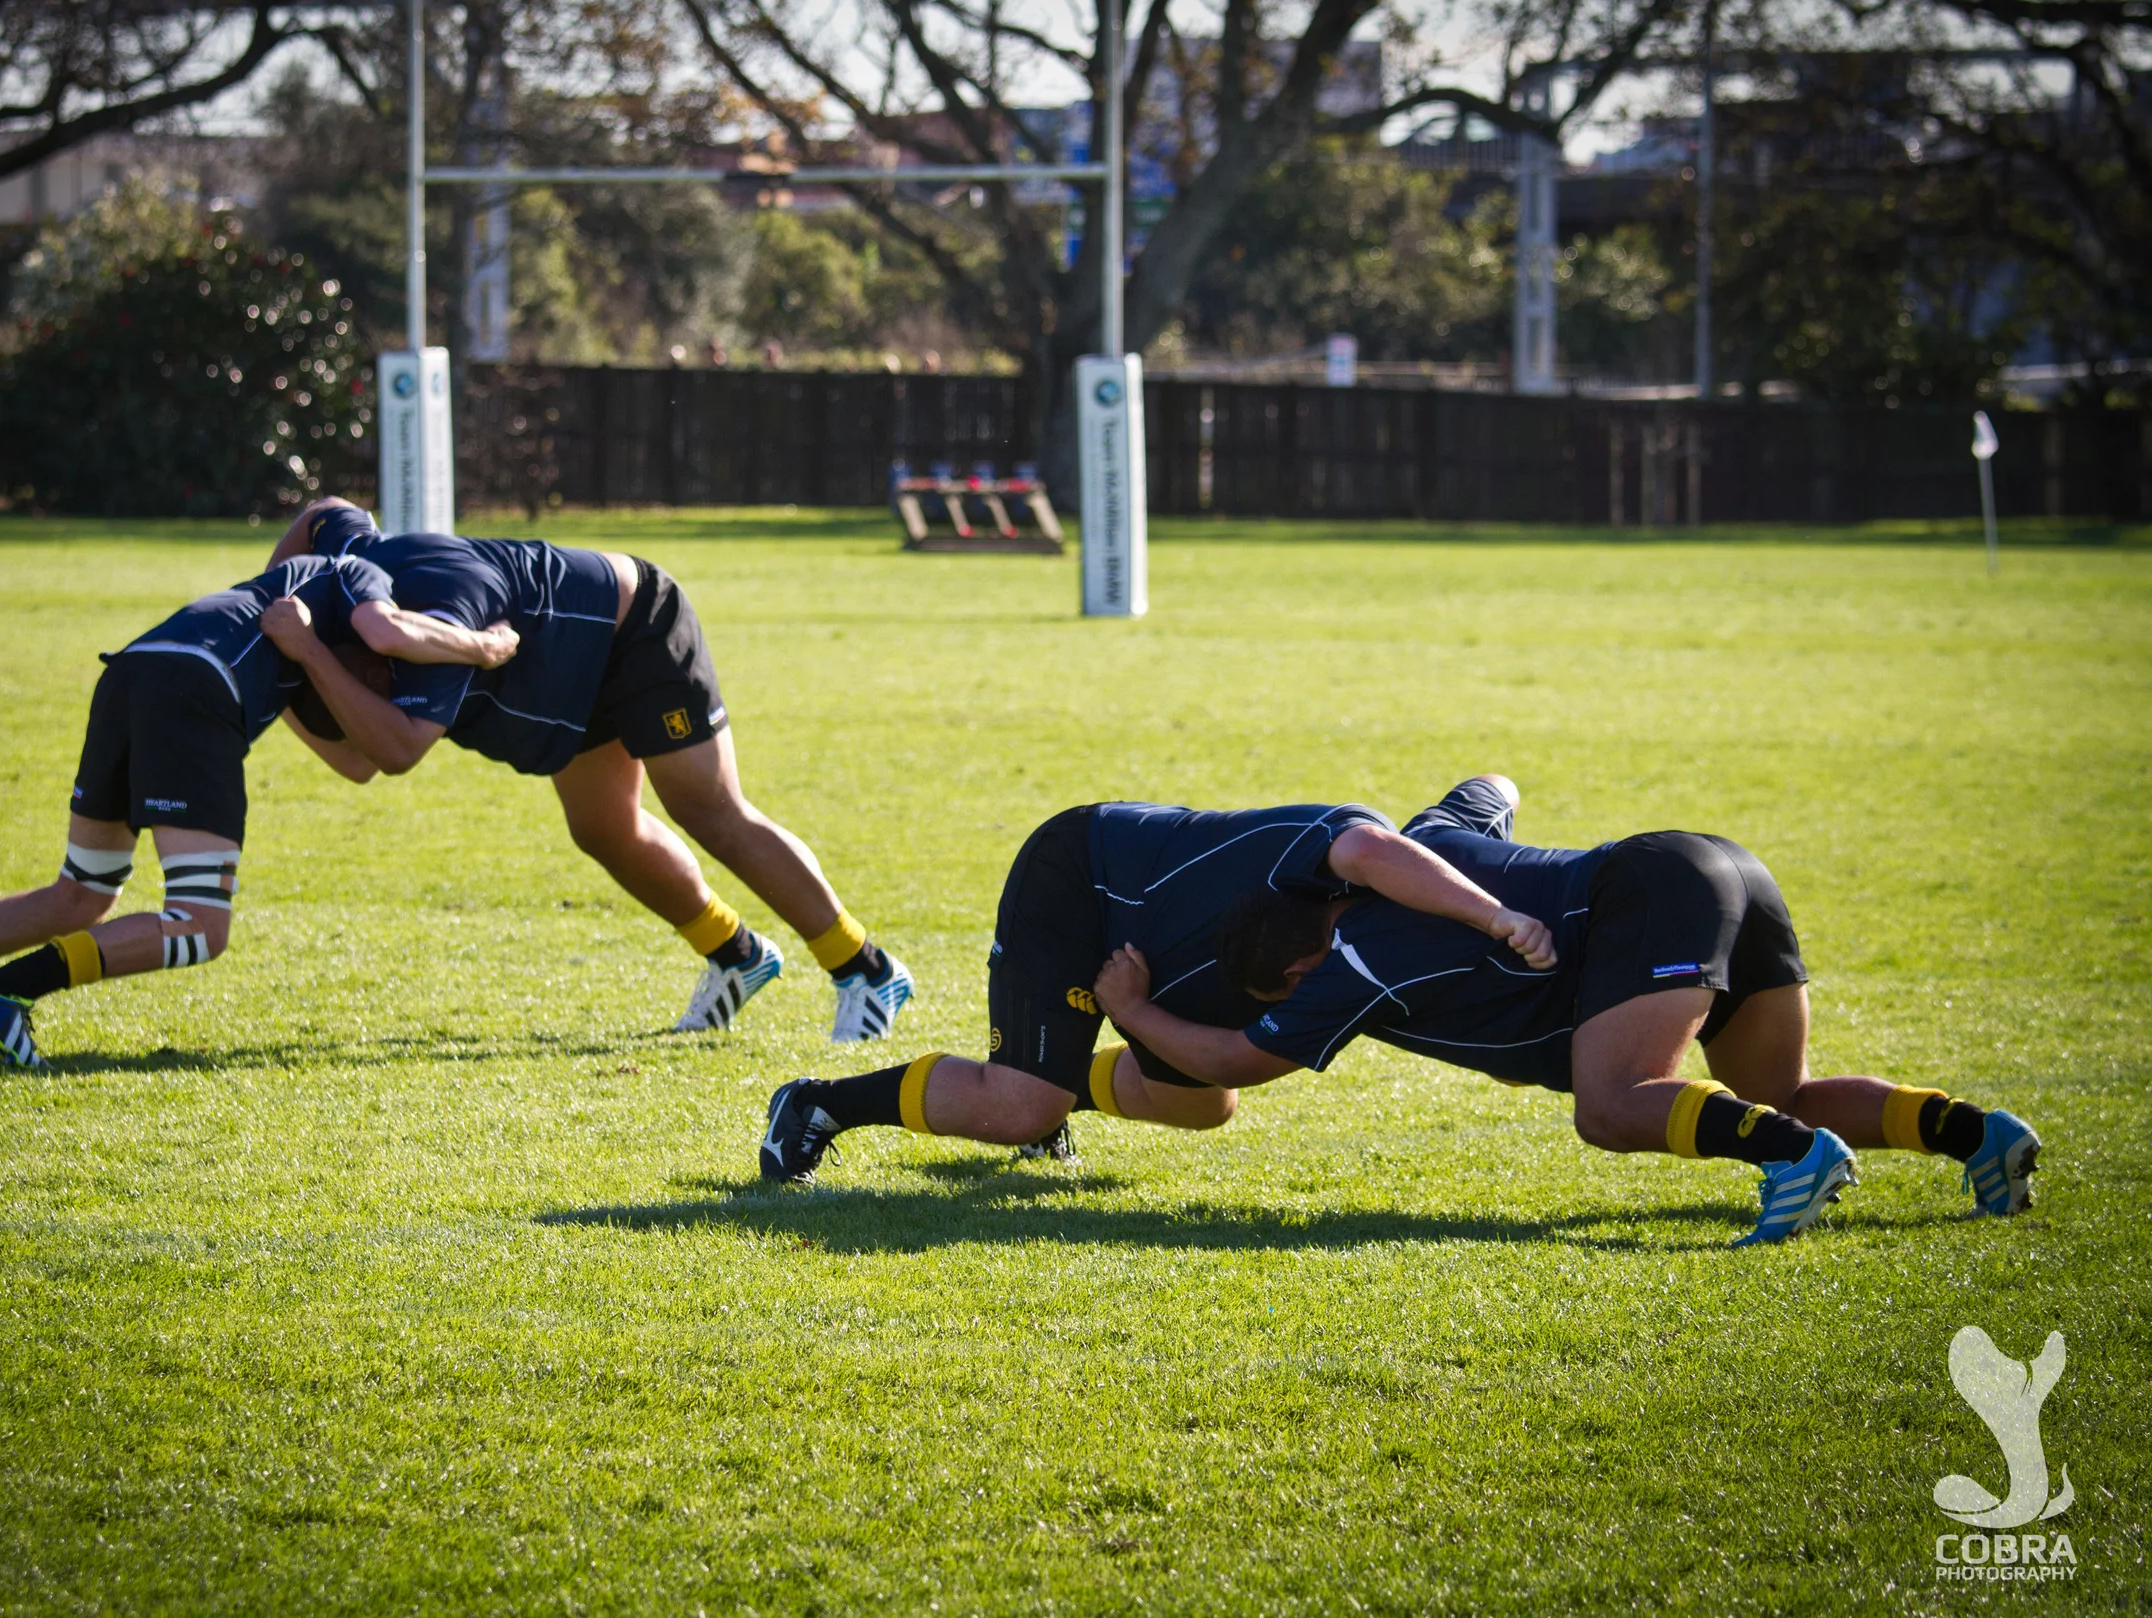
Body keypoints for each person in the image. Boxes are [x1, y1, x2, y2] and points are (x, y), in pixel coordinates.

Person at [1089, 776, 2041, 1246]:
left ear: (1300, 960)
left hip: (1646, 897)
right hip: (1718, 862)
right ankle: (1976, 1135)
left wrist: (1131, 1007)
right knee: (1779, 1085)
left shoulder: (1348, 963)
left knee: (1615, 1103)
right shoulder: (1427, 845)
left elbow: (1237, 1061)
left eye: (1281, 989)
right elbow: (1487, 788)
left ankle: (1792, 1160)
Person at [261, 497, 912, 1041]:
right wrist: (280, 642)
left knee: (707, 809)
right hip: (565, 677)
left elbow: (388, 753)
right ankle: (736, 955)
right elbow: (327, 512)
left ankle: (865, 967)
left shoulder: (440, 619)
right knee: (603, 828)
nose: (363, 707)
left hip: (633, 632)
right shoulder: (347, 582)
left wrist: (310, 658)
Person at [0, 552, 514, 1068]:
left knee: (80, 892)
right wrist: (485, 647)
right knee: (199, 924)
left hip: (132, 668)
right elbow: (384, 629)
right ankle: (4, 992)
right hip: (197, 689)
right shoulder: (358, 569)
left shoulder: (284, 588)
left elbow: (357, 754)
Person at [757, 792, 1559, 1182]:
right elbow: (1402, 835)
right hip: (1079, 878)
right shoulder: (1345, 854)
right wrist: (1499, 918)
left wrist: (1134, 1011)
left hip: (1162, 953)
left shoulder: (1334, 921)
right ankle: (820, 1102)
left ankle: (1045, 1081)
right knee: (1021, 1106)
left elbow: (1479, 796)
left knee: (1201, 1102)